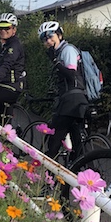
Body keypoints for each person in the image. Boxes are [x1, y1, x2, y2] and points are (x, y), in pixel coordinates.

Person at [38, 21, 89, 159]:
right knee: (78, 146)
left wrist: (55, 62)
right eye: (45, 39)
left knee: (54, 140)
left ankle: (46, 177)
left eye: (50, 36)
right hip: (72, 100)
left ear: (59, 35)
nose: (48, 41)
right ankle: (79, 171)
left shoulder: (67, 50)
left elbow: (71, 74)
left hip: (72, 101)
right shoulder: (60, 52)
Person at [0, 13, 26, 122]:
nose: (3, 30)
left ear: (14, 29)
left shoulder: (14, 46)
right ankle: (2, 131)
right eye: (0, 28)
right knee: (3, 119)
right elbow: (0, 62)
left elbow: (6, 66)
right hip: (4, 86)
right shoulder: (6, 45)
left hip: (11, 87)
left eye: (7, 28)